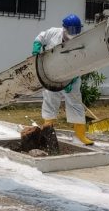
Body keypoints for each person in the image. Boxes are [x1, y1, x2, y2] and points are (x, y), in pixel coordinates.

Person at [32, 14, 94, 145]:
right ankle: (48, 134)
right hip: (51, 75)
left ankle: (79, 136)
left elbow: (81, 63)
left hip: (72, 76)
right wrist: (37, 46)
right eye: (71, 31)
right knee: (50, 101)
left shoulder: (80, 41)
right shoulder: (53, 33)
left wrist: (72, 79)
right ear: (64, 28)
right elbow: (40, 38)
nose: (74, 34)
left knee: (75, 104)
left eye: (76, 31)